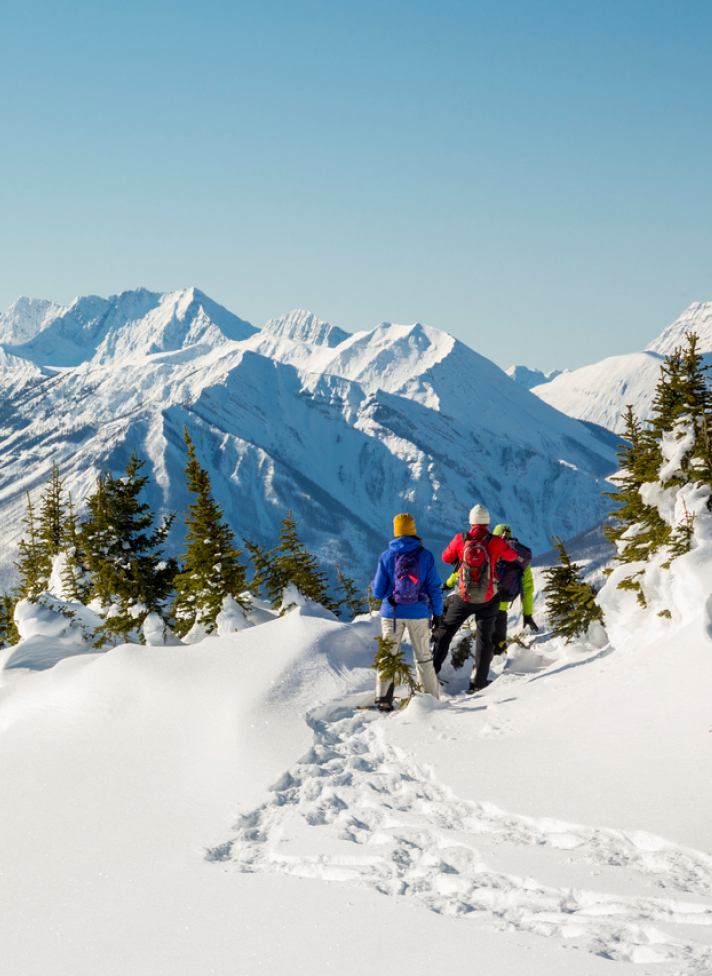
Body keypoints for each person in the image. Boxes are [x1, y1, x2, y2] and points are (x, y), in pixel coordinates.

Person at [432, 504, 524, 692]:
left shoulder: (460, 539)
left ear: (471, 522)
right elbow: (512, 556)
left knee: (446, 632)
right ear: (487, 523)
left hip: (464, 598)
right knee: (484, 638)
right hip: (488, 599)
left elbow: (445, 558)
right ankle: (478, 681)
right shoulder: (495, 541)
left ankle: (431, 674)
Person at [371, 513, 444, 710]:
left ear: (396, 531)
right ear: (413, 530)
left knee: (388, 655)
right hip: (419, 613)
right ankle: (431, 699)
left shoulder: (386, 556)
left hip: (392, 614)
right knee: (423, 657)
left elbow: (378, 592)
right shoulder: (425, 555)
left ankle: (383, 698)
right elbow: (434, 587)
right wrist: (438, 612)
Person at [490, 523, 539, 656]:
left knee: (482, 643)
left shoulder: (490, 547)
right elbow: (528, 587)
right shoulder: (520, 557)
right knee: (499, 646)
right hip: (502, 607)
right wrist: (527, 614)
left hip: (484, 604)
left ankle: (477, 667)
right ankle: (498, 664)